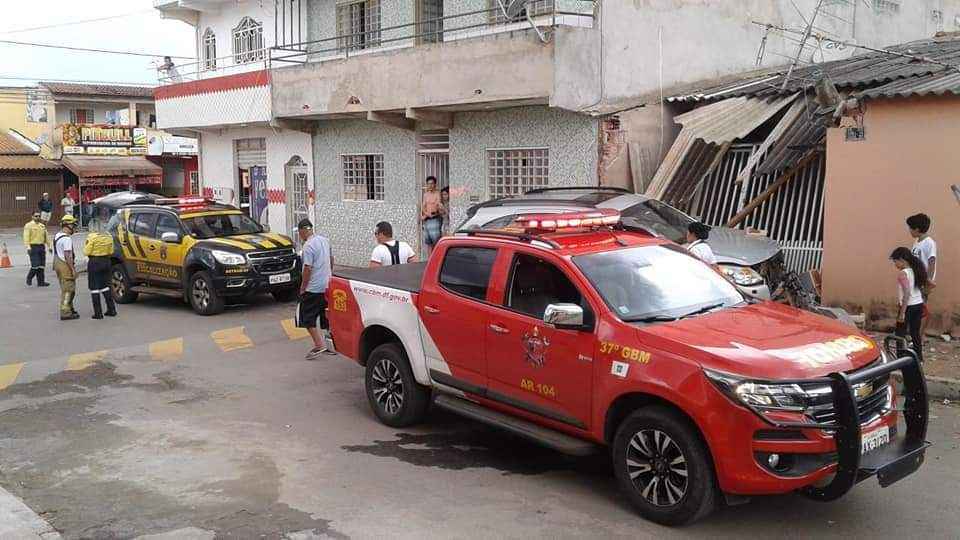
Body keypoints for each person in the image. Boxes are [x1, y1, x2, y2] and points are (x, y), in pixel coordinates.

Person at [295, 219, 334, 360]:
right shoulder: (325, 240)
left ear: (303, 231)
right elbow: (331, 259)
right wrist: (329, 275)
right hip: (327, 285)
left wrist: (303, 287)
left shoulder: (308, 246)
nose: (300, 236)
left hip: (313, 288)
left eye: (299, 233)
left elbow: (307, 268)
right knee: (327, 317)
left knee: (307, 318)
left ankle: (319, 345)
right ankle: (332, 346)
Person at [890, 247, 927, 363]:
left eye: (895, 261)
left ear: (901, 260)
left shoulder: (903, 273)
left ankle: (900, 359)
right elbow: (928, 285)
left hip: (908, 306)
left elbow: (906, 293)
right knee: (915, 332)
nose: (895, 264)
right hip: (918, 304)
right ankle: (919, 358)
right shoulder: (915, 270)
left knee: (899, 333)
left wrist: (902, 313)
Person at [906, 213, 937, 335]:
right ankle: (915, 334)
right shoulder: (917, 241)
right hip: (915, 280)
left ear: (917, 229)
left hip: (923, 282)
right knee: (915, 307)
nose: (909, 231)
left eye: (910, 228)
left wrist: (927, 282)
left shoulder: (929, 242)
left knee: (921, 309)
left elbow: (931, 262)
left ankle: (920, 335)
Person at [83, 224, 117, 320]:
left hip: (95, 262)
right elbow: (111, 251)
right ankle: (112, 309)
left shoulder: (92, 237)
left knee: (94, 288)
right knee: (106, 286)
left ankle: (98, 313)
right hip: (106, 261)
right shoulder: (109, 236)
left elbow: (86, 252)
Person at [53, 215, 80, 321]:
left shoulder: (57, 235)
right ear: (68, 225)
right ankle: (65, 312)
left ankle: (70, 308)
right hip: (65, 266)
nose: (74, 228)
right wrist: (73, 269)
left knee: (66, 289)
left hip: (57, 264)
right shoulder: (67, 239)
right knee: (68, 290)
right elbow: (67, 255)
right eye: (73, 225)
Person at [23, 212, 51, 287]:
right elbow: (26, 237)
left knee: (42, 265)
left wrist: (50, 247)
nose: (38, 217)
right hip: (33, 247)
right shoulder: (28, 225)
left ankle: (41, 282)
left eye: (39, 216)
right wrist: (28, 247)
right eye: (36, 216)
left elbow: (47, 237)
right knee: (35, 265)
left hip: (41, 246)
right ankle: (29, 277)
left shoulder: (42, 226)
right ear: (32, 217)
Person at [421, 176, 444, 255]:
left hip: (435, 219)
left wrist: (433, 213)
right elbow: (423, 206)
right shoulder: (425, 195)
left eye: (432, 184)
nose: (430, 186)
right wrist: (426, 214)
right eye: (428, 184)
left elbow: (438, 207)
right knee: (428, 241)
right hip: (427, 219)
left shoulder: (438, 194)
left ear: (435, 184)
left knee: (436, 241)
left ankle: (437, 257)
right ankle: (429, 259)